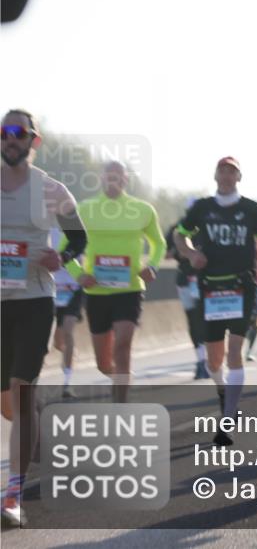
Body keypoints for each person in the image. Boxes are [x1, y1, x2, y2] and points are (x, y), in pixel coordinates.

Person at [1, 110, 86, 528]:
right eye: (5, 132)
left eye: (19, 133)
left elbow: (80, 237)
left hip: (35, 300)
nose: (11, 139)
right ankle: (38, 431)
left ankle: (13, 496)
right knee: (9, 404)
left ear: (34, 140)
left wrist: (62, 258)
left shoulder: (52, 189)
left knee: (21, 392)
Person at [173, 156, 257, 446]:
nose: (227, 176)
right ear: (215, 176)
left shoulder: (252, 209)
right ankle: (222, 389)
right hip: (211, 287)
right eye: (223, 171)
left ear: (239, 177)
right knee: (214, 360)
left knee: (235, 353)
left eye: (232, 172)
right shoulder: (202, 208)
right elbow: (180, 236)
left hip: (242, 286)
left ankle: (227, 421)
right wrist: (191, 254)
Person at [63, 161, 166, 404]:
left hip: (130, 289)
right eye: (109, 176)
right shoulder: (84, 209)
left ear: (126, 180)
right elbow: (64, 248)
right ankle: (120, 378)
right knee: (103, 364)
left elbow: (159, 244)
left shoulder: (143, 209)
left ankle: (120, 405)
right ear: (101, 178)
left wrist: (152, 266)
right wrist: (79, 274)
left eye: (118, 176)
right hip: (96, 292)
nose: (114, 180)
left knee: (123, 345)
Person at [166, 198, 209, 380]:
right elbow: (167, 253)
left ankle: (208, 359)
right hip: (184, 280)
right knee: (192, 320)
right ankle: (201, 360)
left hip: (203, 279)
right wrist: (181, 252)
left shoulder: (207, 227)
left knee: (204, 319)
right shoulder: (176, 229)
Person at [50, 227, 85, 397]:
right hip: (51, 289)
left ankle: (67, 382)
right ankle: (70, 355)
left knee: (68, 331)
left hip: (73, 288)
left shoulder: (76, 229)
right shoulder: (44, 229)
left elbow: (86, 250)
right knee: (58, 342)